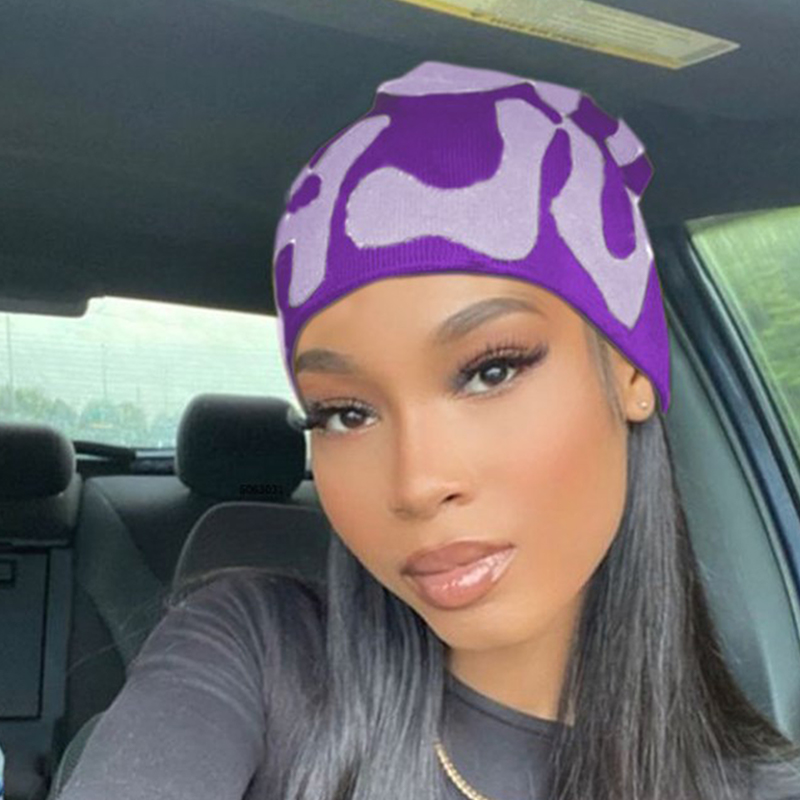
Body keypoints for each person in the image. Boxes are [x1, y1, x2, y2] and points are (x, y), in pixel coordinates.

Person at [57, 60, 800, 800]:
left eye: (491, 371)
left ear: (632, 371)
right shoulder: (252, 650)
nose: (415, 484)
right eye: (346, 413)